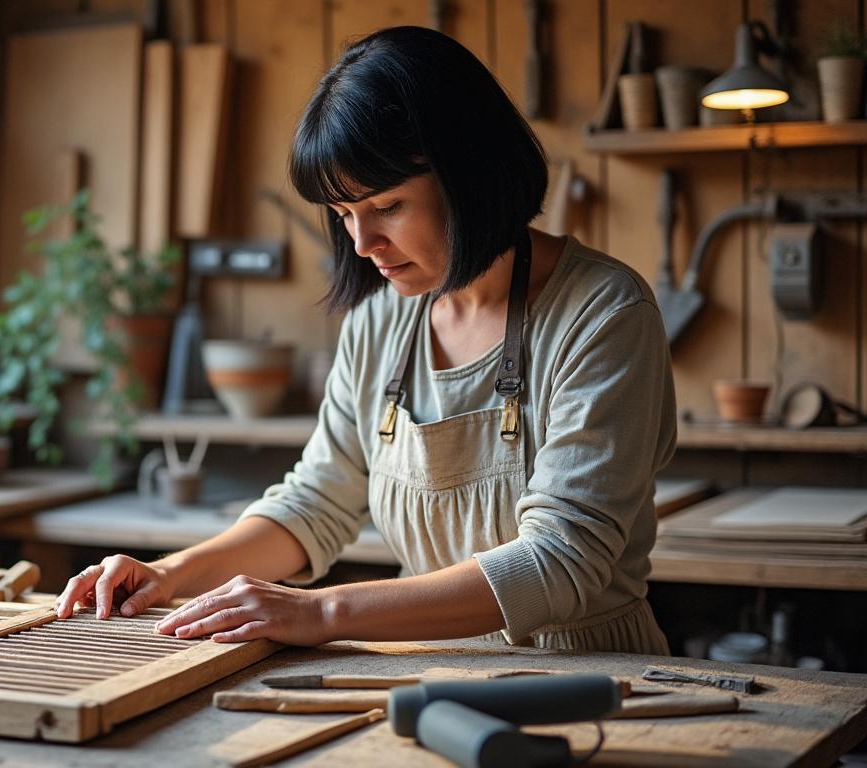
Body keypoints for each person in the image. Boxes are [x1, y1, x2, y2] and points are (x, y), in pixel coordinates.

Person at [54, 25, 676, 654]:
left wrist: (321, 613)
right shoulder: (380, 320)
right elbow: (319, 499)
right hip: (431, 668)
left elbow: (560, 560)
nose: (361, 244)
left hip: (591, 677)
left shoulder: (603, 313)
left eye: (388, 205)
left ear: (469, 172)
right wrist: (168, 574)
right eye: (344, 213)